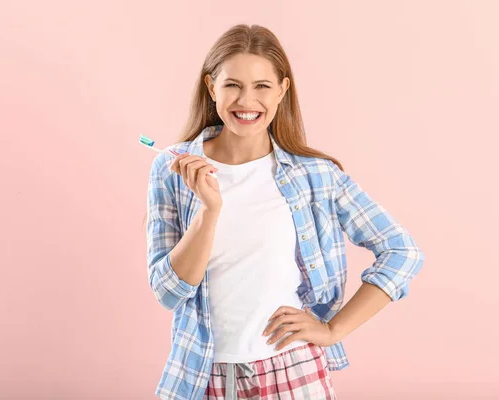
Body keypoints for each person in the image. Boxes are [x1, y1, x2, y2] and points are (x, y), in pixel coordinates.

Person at [145, 24, 424, 400]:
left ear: (282, 90)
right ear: (212, 88)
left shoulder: (316, 176)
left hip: (294, 373)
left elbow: (401, 252)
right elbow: (169, 293)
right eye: (232, 85)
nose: (247, 101)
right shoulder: (172, 169)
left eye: (262, 86)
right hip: (200, 375)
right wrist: (209, 211)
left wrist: (332, 330)